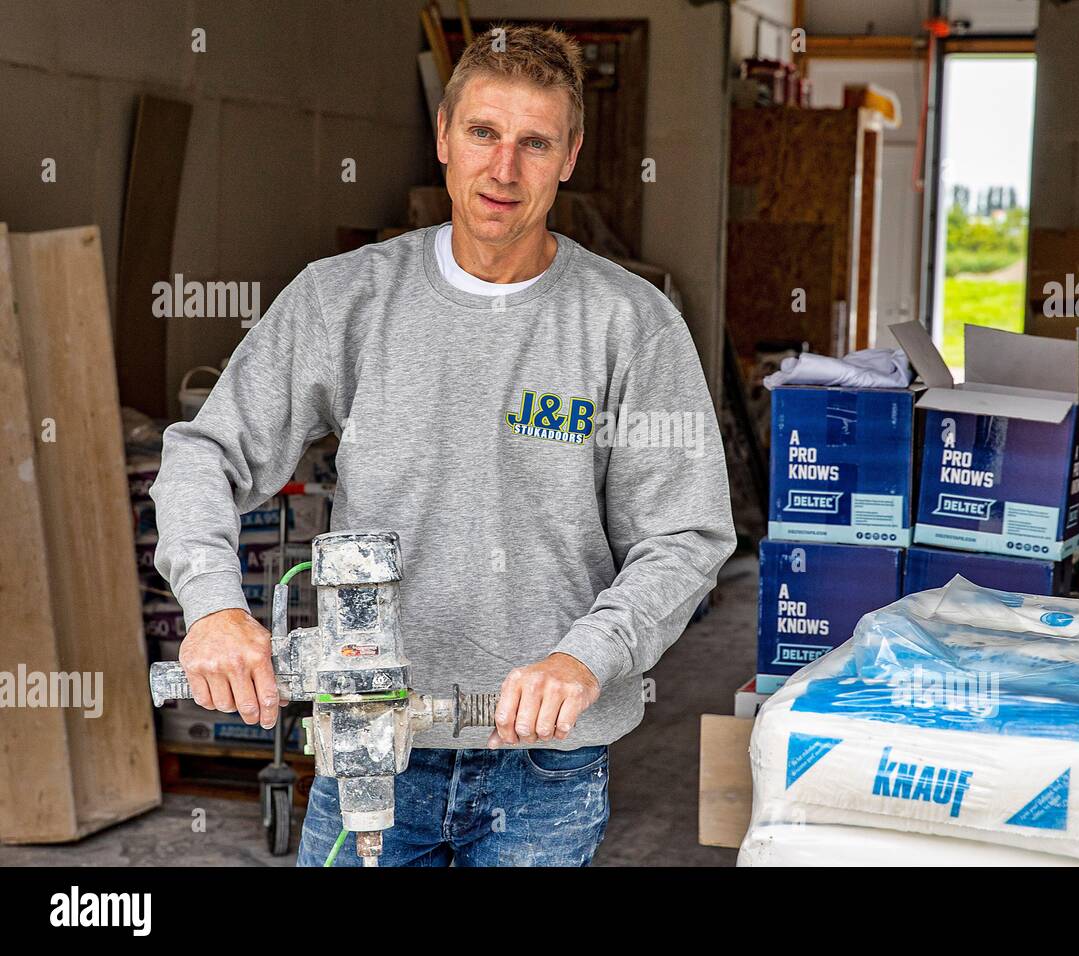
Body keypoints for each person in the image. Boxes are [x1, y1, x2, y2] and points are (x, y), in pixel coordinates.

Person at [150, 23, 736, 867]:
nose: (504, 170)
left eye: (535, 143)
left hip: (547, 768)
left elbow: (686, 536)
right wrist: (212, 606)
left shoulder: (630, 324)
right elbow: (206, 451)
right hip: (369, 745)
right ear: (442, 138)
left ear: (570, 155)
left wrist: (586, 656)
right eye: (483, 134)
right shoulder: (344, 299)